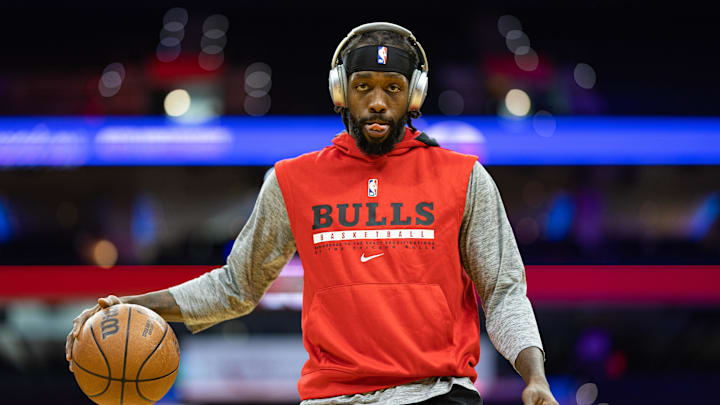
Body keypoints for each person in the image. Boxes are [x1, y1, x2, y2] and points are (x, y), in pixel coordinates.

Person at [66, 22, 558, 405]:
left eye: (392, 87)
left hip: (438, 395)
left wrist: (533, 376)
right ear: (341, 92)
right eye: (364, 87)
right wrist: (138, 305)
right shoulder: (292, 180)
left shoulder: (465, 178)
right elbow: (236, 287)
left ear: (414, 95)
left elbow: (504, 292)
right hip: (333, 397)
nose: (378, 102)